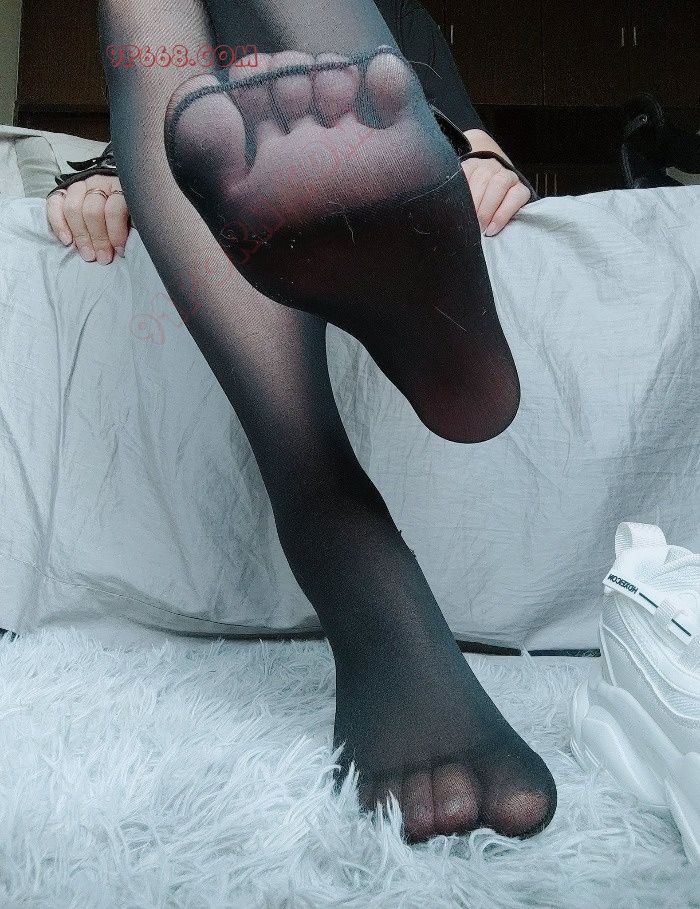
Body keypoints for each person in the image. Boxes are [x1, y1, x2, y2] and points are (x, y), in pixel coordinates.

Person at [49, 0, 557, 845]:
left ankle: (349, 541)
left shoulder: (399, 21)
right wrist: (102, 181)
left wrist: (482, 162)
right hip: (204, 142)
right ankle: (435, 330)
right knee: (190, 96)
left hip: (364, 110)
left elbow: (475, 143)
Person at [46, 0, 536, 266]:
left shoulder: (396, 13)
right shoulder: (167, 19)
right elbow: (145, 143)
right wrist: (116, 179)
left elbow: (476, 146)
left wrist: (487, 171)